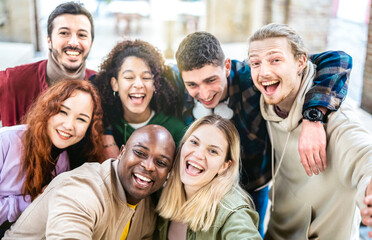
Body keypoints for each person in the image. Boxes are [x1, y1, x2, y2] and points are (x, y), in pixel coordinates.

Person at [168, 31, 352, 235]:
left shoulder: (253, 77)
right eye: (192, 85)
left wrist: (313, 116)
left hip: (252, 186)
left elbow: (339, 60)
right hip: (198, 183)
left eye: (211, 80)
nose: (203, 93)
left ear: (227, 66)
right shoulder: (175, 81)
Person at [248, 23, 372, 239]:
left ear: (301, 62)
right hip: (277, 232)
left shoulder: (336, 118)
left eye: (275, 59)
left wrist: (313, 117)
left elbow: (364, 155)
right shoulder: (266, 103)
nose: (263, 72)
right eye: (255, 63)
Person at [3, 125, 176, 240]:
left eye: (161, 163)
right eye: (140, 153)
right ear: (121, 152)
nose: (148, 166)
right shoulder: (82, 189)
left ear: (168, 174)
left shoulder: (148, 209)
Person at [0, 79, 104, 236]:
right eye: (63, 111)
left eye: (81, 119)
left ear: (88, 129)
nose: (69, 125)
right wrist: (29, 202)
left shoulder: (64, 162)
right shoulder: (6, 142)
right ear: (47, 109)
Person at [155, 114, 262, 239]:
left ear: (225, 166)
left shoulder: (231, 212)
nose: (198, 154)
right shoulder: (162, 192)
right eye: (194, 142)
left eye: (213, 151)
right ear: (183, 145)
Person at [0, 1, 95, 127]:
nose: (73, 42)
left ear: (91, 43)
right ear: (49, 41)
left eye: (82, 35)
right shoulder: (11, 82)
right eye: (64, 33)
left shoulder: (101, 86)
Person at [92, 39, 186, 158]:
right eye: (129, 77)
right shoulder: (106, 128)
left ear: (155, 84)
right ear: (115, 84)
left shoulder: (176, 129)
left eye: (146, 77)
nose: (138, 84)